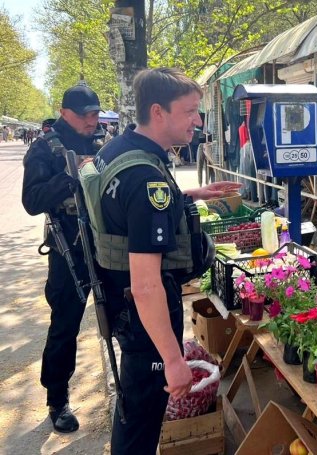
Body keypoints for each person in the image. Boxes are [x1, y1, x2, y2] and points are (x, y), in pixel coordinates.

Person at [85, 67, 241, 454]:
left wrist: (191, 194)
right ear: (158, 112)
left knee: (133, 414)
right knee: (140, 423)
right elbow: (146, 283)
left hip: (122, 306)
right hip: (144, 319)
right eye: (189, 111)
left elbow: (125, 215)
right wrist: (172, 359)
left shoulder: (120, 150)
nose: (198, 121)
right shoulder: (145, 178)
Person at [21, 83, 102, 433]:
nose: (92, 120)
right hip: (67, 247)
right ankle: (57, 399)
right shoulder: (44, 148)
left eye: (96, 113)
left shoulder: (99, 140)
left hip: (103, 244)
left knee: (123, 313)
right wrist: (71, 174)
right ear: (65, 112)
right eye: (86, 114)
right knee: (65, 325)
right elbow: (32, 200)